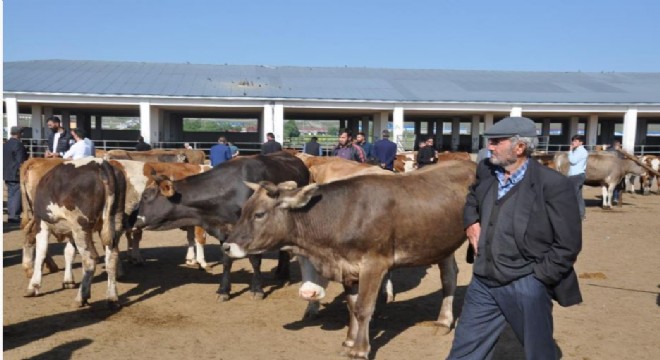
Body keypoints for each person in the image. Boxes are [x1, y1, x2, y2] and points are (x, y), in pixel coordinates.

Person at [448, 116, 582, 360]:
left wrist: (538, 278)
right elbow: (472, 198)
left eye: (497, 142)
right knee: (464, 352)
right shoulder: (487, 171)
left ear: (519, 147)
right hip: (483, 281)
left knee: (538, 353)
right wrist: (471, 222)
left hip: (526, 282)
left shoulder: (553, 184)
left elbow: (568, 244)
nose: (490, 146)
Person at [3, 126, 28, 224]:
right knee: (16, 195)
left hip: (7, 173)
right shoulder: (18, 145)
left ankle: (11, 215)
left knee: (10, 195)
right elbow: (21, 161)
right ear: (18, 134)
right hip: (16, 173)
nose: (22, 134)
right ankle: (14, 216)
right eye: (21, 133)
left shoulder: (6, 144)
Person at [568, 134, 589, 220]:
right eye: (573, 140)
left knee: (573, 196)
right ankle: (581, 215)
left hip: (576, 176)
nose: (573, 142)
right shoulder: (578, 150)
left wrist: (570, 151)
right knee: (578, 196)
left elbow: (572, 161)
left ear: (581, 142)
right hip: (577, 175)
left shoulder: (581, 151)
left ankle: (575, 215)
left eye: (576, 141)